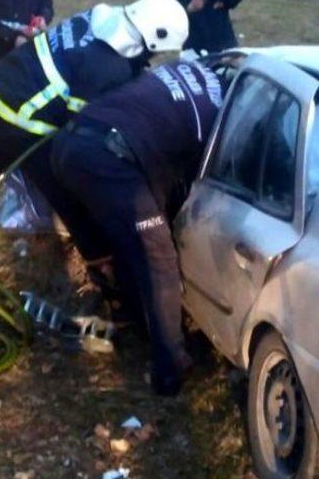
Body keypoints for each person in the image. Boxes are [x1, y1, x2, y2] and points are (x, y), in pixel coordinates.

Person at [0, 0, 189, 277]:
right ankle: (107, 277)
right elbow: (81, 128)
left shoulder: (98, 20)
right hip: (21, 120)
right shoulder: (109, 67)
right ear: (153, 38)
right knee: (70, 201)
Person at [50, 58, 228, 395]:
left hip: (69, 144)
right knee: (158, 257)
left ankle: (133, 316)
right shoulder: (215, 118)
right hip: (107, 158)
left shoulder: (191, 70)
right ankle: (170, 368)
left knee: (131, 240)